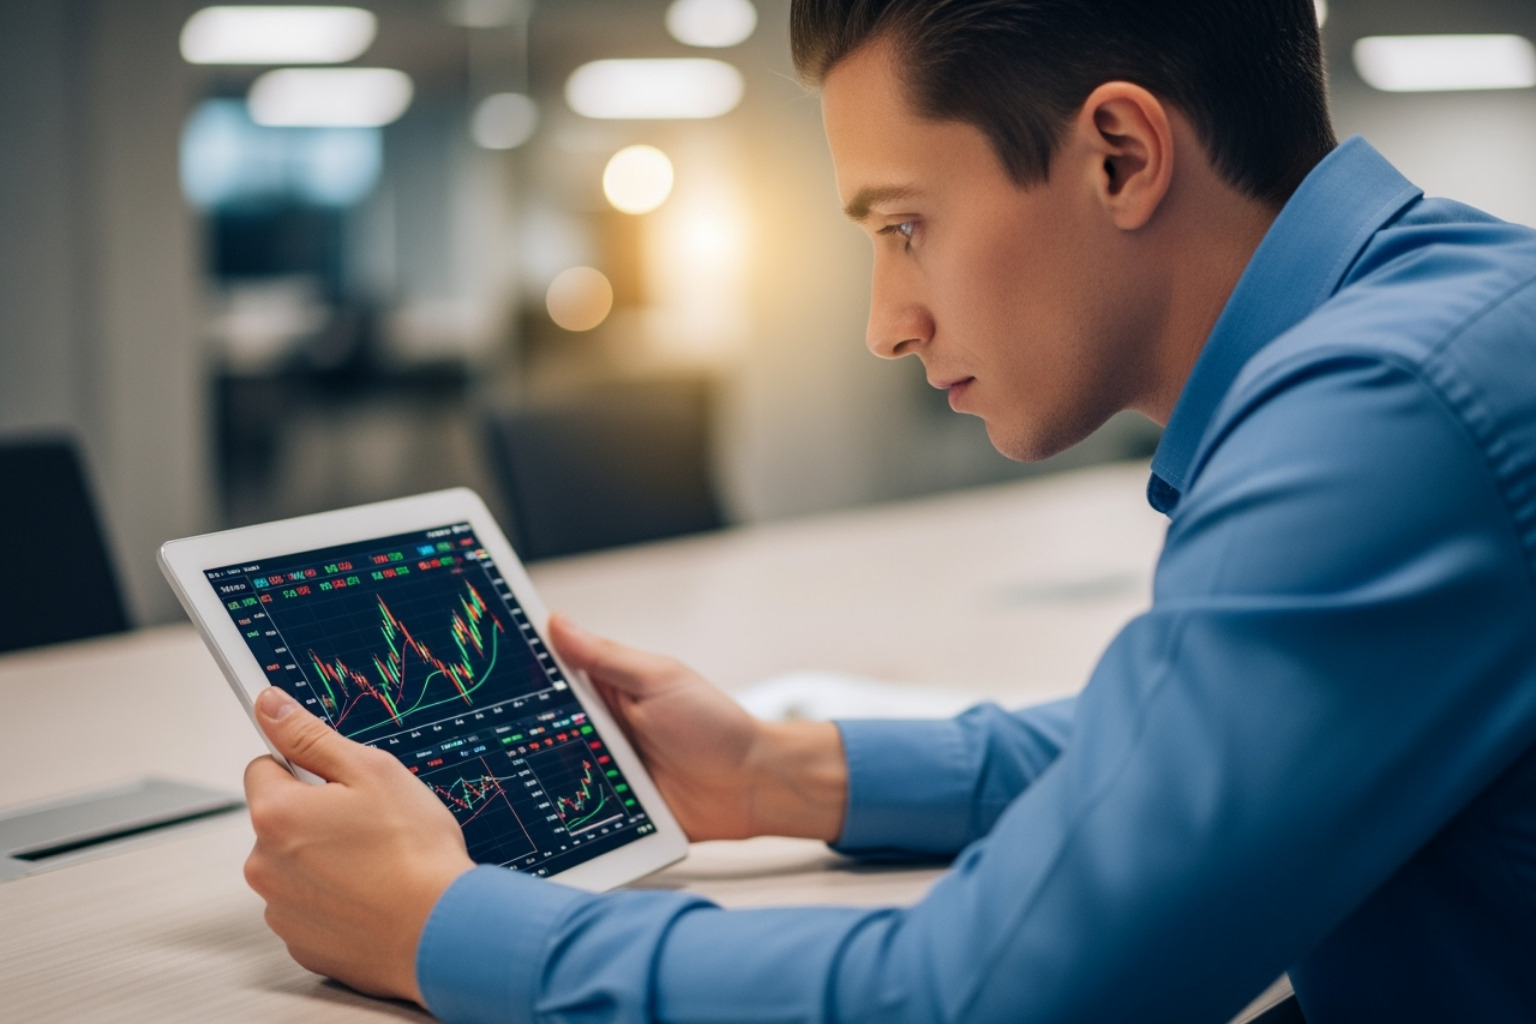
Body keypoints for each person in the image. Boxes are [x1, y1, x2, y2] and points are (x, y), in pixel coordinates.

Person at [240, 1, 1536, 1020]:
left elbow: (983, 996)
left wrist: (437, 924)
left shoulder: (1385, 411)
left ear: (1119, 154)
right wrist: (777, 774)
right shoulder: (1456, 317)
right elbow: (1216, 740)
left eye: (904, 226)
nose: (885, 323)